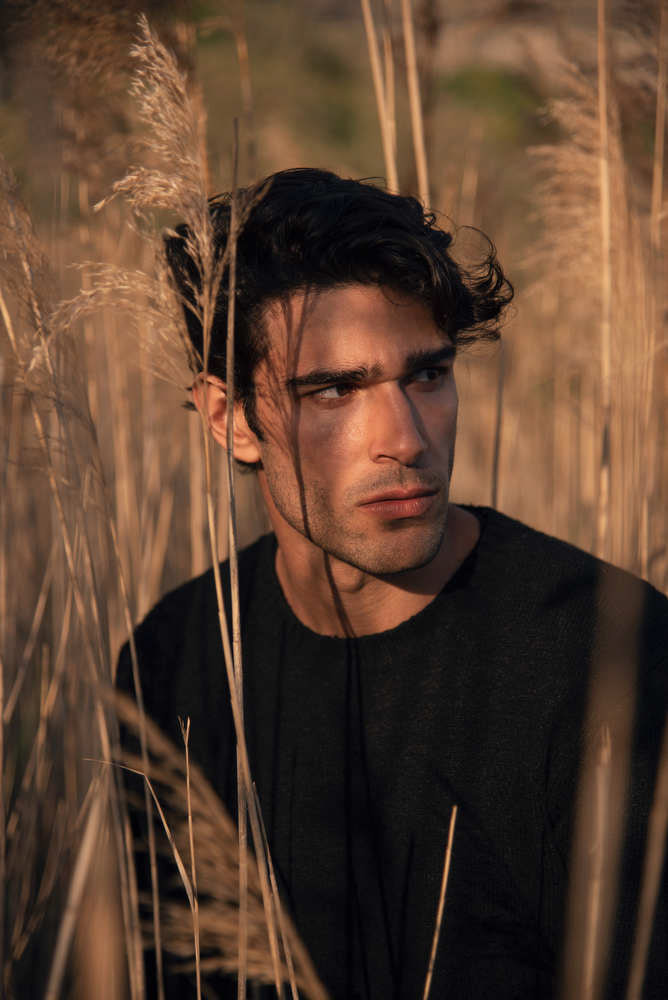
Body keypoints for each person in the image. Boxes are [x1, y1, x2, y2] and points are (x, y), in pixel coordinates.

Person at [117, 168, 668, 999]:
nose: (405, 439)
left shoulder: (610, 655)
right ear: (231, 419)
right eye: (335, 390)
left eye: (427, 376)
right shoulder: (172, 661)